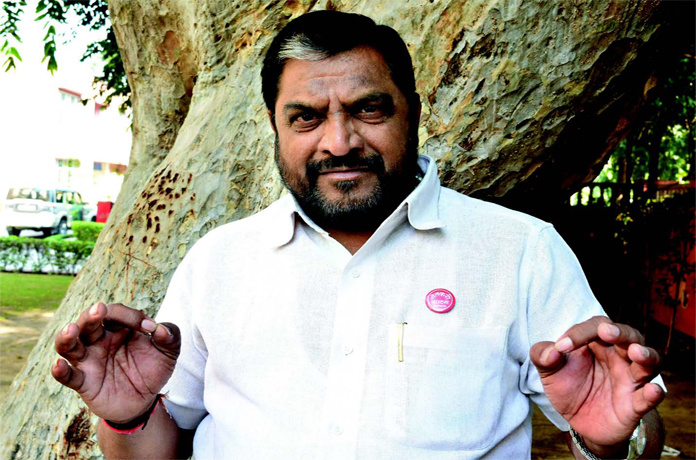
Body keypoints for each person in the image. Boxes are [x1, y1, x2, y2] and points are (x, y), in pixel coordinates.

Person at [52, 10, 665, 459]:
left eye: (368, 109)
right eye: (307, 117)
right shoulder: (218, 262)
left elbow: (634, 429)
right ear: (275, 127)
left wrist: (613, 439)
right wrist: (129, 416)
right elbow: (157, 449)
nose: (339, 142)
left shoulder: (519, 251)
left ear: (413, 112)